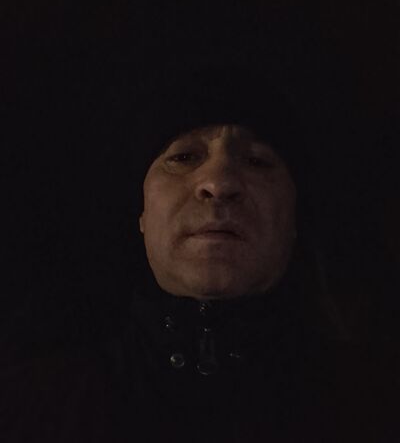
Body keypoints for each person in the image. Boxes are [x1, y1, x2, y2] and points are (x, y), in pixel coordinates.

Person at [1, 66, 396, 442]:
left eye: (257, 161)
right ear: (142, 213)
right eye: (183, 157)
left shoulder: (376, 409)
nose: (218, 183)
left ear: (295, 217)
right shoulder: (28, 411)